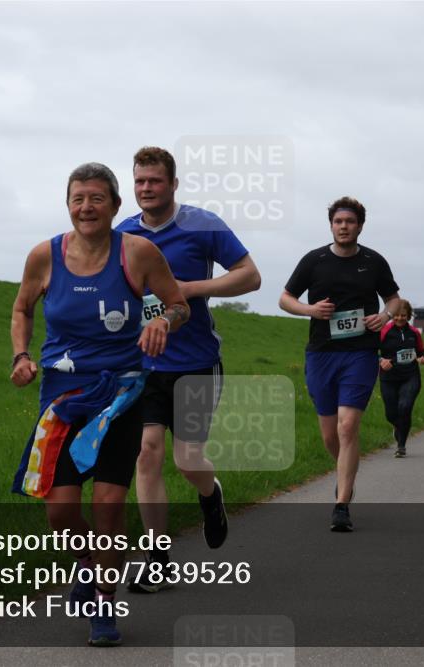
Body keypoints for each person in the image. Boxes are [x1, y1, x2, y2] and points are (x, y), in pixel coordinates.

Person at [9, 163, 188, 647]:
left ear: (114, 204)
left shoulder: (138, 253)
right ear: (67, 204)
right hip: (64, 400)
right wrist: (22, 355)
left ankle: (105, 604)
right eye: (77, 198)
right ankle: (86, 565)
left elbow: (178, 304)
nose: (86, 207)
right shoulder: (43, 256)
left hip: (123, 396)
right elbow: (23, 306)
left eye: (96, 198)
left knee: (109, 505)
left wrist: (162, 323)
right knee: (60, 513)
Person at [115, 147, 260, 591]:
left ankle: (209, 493)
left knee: (187, 458)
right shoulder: (121, 235)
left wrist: (190, 288)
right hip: (144, 365)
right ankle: (158, 559)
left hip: (196, 362)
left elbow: (249, 276)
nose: (146, 189)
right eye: (139, 181)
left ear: (173, 184)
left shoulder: (203, 225)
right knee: (147, 452)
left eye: (155, 181)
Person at [280, 196, 400, 532]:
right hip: (321, 353)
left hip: (360, 352)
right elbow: (284, 298)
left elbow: (394, 298)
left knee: (348, 427)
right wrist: (310, 310)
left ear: (360, 225)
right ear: (331, 225)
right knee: (331, 433)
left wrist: (385, 315)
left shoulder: (374, 262)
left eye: (349, 222)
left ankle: (341, 504)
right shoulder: (314, 260)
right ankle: (344, 472)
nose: (343, 227)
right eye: (338, 222)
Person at [378, 299, 424, 457]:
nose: (400, 318)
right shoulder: (384, 331)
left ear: (409, 316)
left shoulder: (414, 333)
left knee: (405, 407)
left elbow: (422, 352)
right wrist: (381, 360)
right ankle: (399, 428)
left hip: (410, 376)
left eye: (404, 315)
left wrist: (422, 359)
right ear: (392, 315)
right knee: (391, 414)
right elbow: (372, 352)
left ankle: (401, 445)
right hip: (389, 378)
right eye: (397, 315)